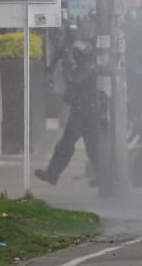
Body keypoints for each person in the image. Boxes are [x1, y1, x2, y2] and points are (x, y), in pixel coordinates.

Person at [35, 41, 100, 187]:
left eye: (78, 54)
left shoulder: (88, 68)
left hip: (86, 113)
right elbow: (71, 90)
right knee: (72, 145)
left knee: (83, 146)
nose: (76, 57)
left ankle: (53, 174)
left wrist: (67, 69)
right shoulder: (81, 67)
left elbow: (74, 82)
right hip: (81, 111)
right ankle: (52, 174)